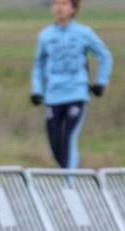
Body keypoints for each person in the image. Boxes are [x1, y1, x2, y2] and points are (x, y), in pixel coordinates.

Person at [30, 0, 112, 170]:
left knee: (69, 138)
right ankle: (70, 174)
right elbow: (38, 64)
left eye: (64, 3)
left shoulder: (84, 33)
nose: (59, 8)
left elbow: (104, 56)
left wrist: (101, 81)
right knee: (55, 144)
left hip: (76, 93)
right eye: (56, 3)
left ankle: (70, 185)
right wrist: (37, 89)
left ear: (73, 8)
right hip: (53, 95)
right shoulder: (45, 35)